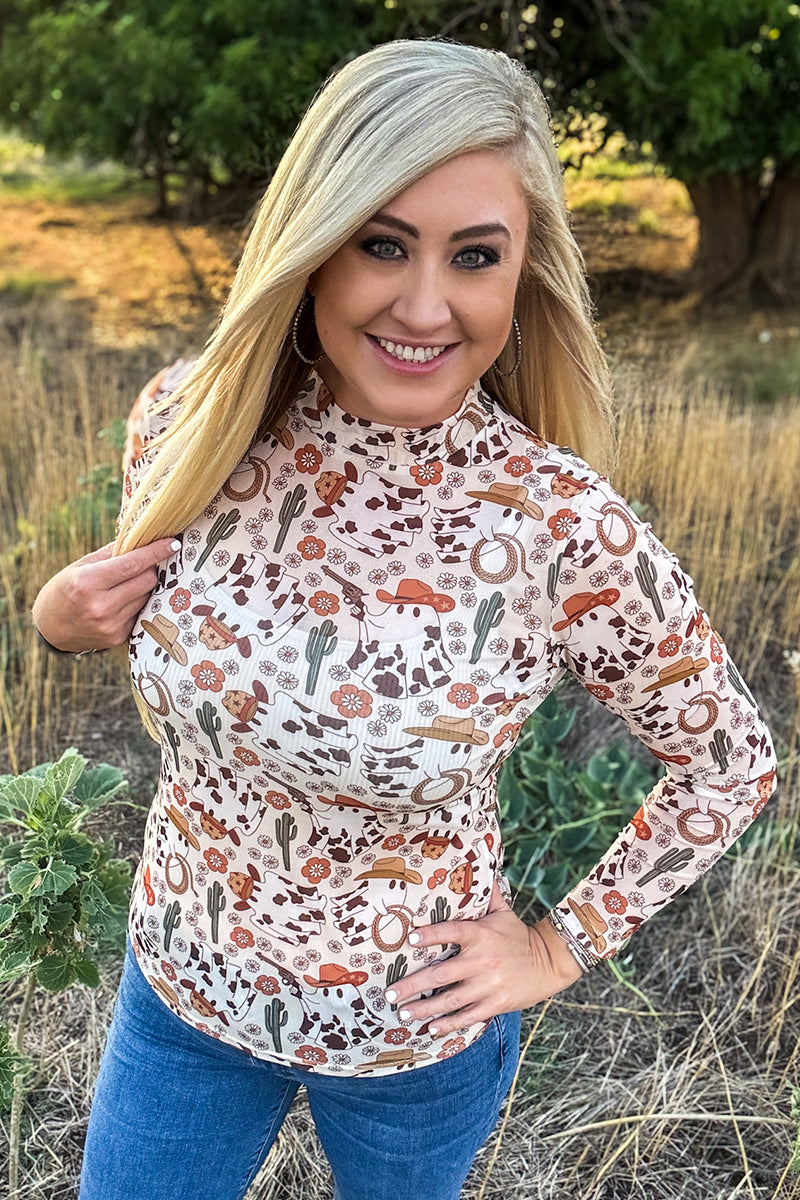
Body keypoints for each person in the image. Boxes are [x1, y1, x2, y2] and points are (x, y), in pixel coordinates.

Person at [31, 38, 776, 1200]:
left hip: (411, 1045)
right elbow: (148, 629)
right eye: (380, 243)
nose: (425, 305)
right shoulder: (186, 420)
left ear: (521, 273)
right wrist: (58, 618)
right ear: (313, 246)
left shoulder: (557, 525)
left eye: (473, 256)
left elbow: (728, 761)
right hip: (182, 993)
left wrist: (556, 946)